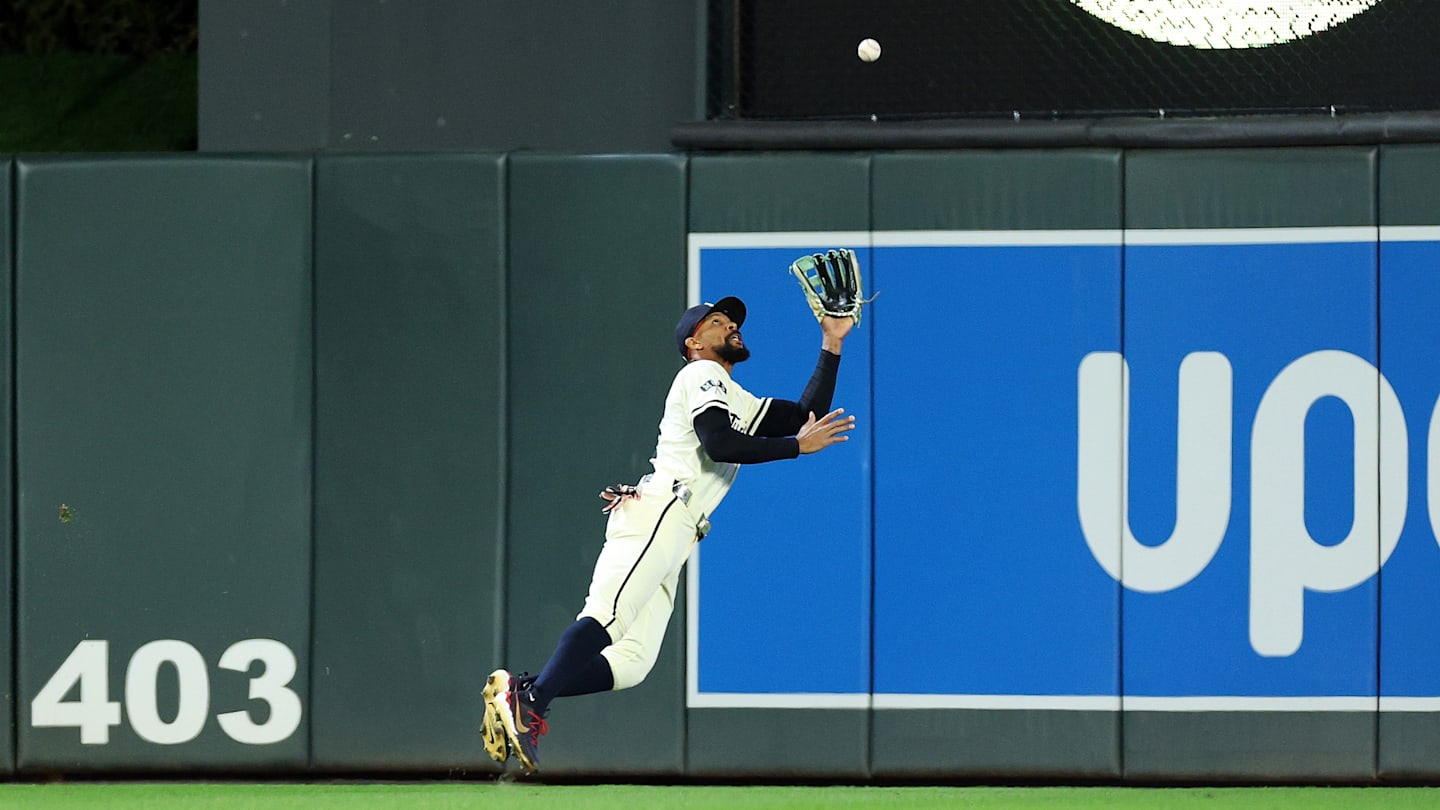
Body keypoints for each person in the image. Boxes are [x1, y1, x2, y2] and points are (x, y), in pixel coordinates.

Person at [482, 295, 856, 773]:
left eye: (732, 321)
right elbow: (720, 444)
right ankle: (529, 704)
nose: (730, 326)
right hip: (662, 509)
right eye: (717, 322)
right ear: (694, 342)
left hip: (677, 527)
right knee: (607, 616)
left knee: (633, 661)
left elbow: (806, 415)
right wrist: (794, 449)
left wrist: (830, 342)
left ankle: (525, 690)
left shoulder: (731, 394)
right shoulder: (699, 375)